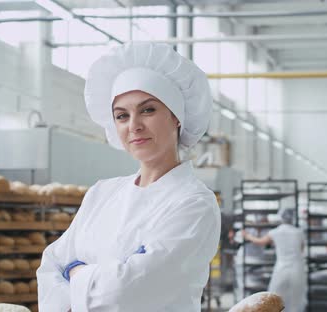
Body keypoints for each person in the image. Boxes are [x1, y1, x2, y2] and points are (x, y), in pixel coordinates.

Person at [36, 42, 221, 312]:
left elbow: (130, 291)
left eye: (148, 110)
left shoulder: (194, 203)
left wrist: (75, 272)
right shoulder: (102, 193)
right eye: (122, 116)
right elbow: (50, 265)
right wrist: (100, 277)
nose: (134, 125)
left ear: (177, 117)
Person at [242, 208, 307, 312]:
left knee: (273, 298)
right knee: (296, 300)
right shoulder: (299, 232)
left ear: (280, 218)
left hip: (281, 269)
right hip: (297, 269)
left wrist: (247, 236)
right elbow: (301, 250)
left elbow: (260, 242)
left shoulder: (275, 232)